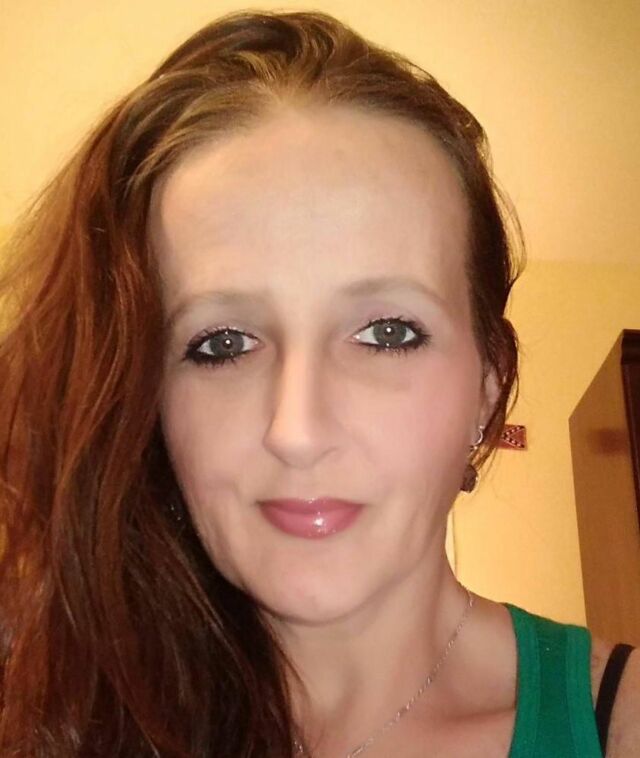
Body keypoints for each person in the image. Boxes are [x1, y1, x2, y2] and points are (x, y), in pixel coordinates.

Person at [0, 9, 637, 757]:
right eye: (223, 343)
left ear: (488, 388)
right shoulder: (58, 722)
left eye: (388, 333)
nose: (296, 430)